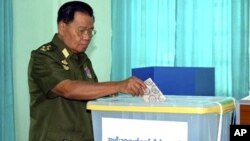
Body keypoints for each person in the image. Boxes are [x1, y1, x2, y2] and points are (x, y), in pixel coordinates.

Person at [28, 1, 147, 141]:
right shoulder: (43, 57)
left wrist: (111, 93)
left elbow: (90, 93)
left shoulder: (82, 59)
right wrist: (118, 85)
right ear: (62, 27)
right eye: (82, 30)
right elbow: (68, 89)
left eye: (91, 31)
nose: (87, 37)